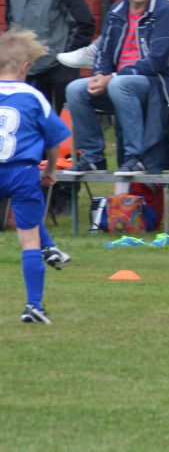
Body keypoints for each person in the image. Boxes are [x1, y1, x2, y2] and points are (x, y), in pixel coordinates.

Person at [64, 0, 169, 176]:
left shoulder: (166, 11)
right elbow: (103, 52)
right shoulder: (116, 11)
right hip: (120, 81)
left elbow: (157, 61)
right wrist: (100, 75)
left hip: (159, 83)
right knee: (75, 89)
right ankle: (92, 157)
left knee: (119, 85)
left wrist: (112, 77)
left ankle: (137, 157)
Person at [0, 28, 74, 324]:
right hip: (22, 171)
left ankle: (51, 248)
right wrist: (51, 171)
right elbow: (54, 142)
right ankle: (34, 306)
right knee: (27, 239)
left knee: (30, 225)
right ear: (25, 66)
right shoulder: (33, 96)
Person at [4, 0, 96, 112]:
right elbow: (11, 26)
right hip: (28, 67)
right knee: (33, 123)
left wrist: (68, 56)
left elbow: (85, 22)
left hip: (61, 67)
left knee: (66, 123)